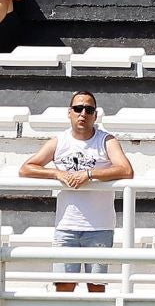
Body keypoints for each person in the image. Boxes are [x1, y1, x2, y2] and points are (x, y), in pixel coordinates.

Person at [19, 89, 134, 293]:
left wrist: (89, 174)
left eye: (88, 110)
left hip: (99, 227)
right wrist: (57, 173)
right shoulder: (59, 141)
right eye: (78, 108)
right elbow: (26, 168)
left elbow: (126, 170)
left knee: (96, 287)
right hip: (66, 225)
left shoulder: (106, 141)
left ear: (95, 115)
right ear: (69, 112)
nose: (83, 113)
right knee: (64, 286)